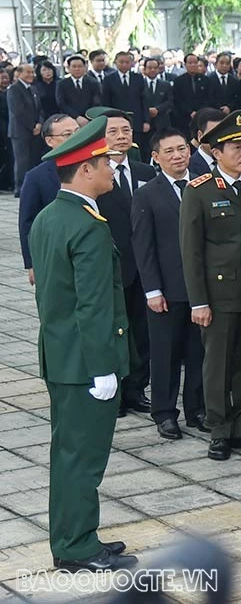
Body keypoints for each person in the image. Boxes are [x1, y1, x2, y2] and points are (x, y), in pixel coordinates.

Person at [30, 116, 137, 572]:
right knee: (82, 460)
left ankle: (76, 536)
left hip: (61, 355)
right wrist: (103, 367)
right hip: (85, 363)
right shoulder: (88, 226)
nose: (113, 168)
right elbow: (93, 306)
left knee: (70, 454)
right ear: (84, 169)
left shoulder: (50, 216)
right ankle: (75, 549)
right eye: (106, 162)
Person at [180, 110, 241, 461]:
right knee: (217, 365)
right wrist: (198, 301)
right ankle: (218, 428)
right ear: (216, 153)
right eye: (236, 147)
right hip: (218, 295)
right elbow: (191, 252)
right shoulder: (199, 191)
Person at [131, 127, 205, 439]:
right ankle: (164, 412)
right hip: (165, 290)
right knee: (165, 355)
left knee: (198, 353)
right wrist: (152, 290)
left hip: (200, 289)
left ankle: (197, 409)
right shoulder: (147, 193)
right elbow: (143, 246)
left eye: (182, 149)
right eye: (169, 151)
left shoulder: (202, 186)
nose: (178, 156)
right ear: (156, 157)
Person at [89, 107, 156, 419]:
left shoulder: (146, 172)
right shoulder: (95, 175)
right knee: (118, 330)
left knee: (143, 332)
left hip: (145, 266)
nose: (121, 136)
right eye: (113, 131)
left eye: (126, 131)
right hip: (113, 266)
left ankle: (136, 389)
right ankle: (115, 392)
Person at [19, 115, 78, 285]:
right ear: (50, 141)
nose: (75, 137)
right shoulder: (36, 177)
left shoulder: (96, 166)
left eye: (77, 131)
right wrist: (31, 263)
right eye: (67, 134)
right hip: (56, 255)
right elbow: (27, 223)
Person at [8, 63, 43, 196]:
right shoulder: (14, 89)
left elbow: (40, 109)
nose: (31, 75)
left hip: (35, 130)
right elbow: (18, 111)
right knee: (22, 160)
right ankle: (20, 187)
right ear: (20, 73)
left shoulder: (33, 89)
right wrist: (32, 126)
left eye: (32, 72)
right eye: (27, 72)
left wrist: (39, 123)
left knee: (33, 159)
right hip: (20, 131)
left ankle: (31, 187)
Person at [55, 55, 100, 122]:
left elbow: (96, 101)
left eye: (80, 66)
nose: (77, 69)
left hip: (89, 119)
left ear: (85, 67)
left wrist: (88, 117)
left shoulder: (93, 83)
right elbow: (61, 103)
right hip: (69, 119)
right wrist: (76, 117)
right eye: (74, 66)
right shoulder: (61, 84)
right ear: (69, 68)